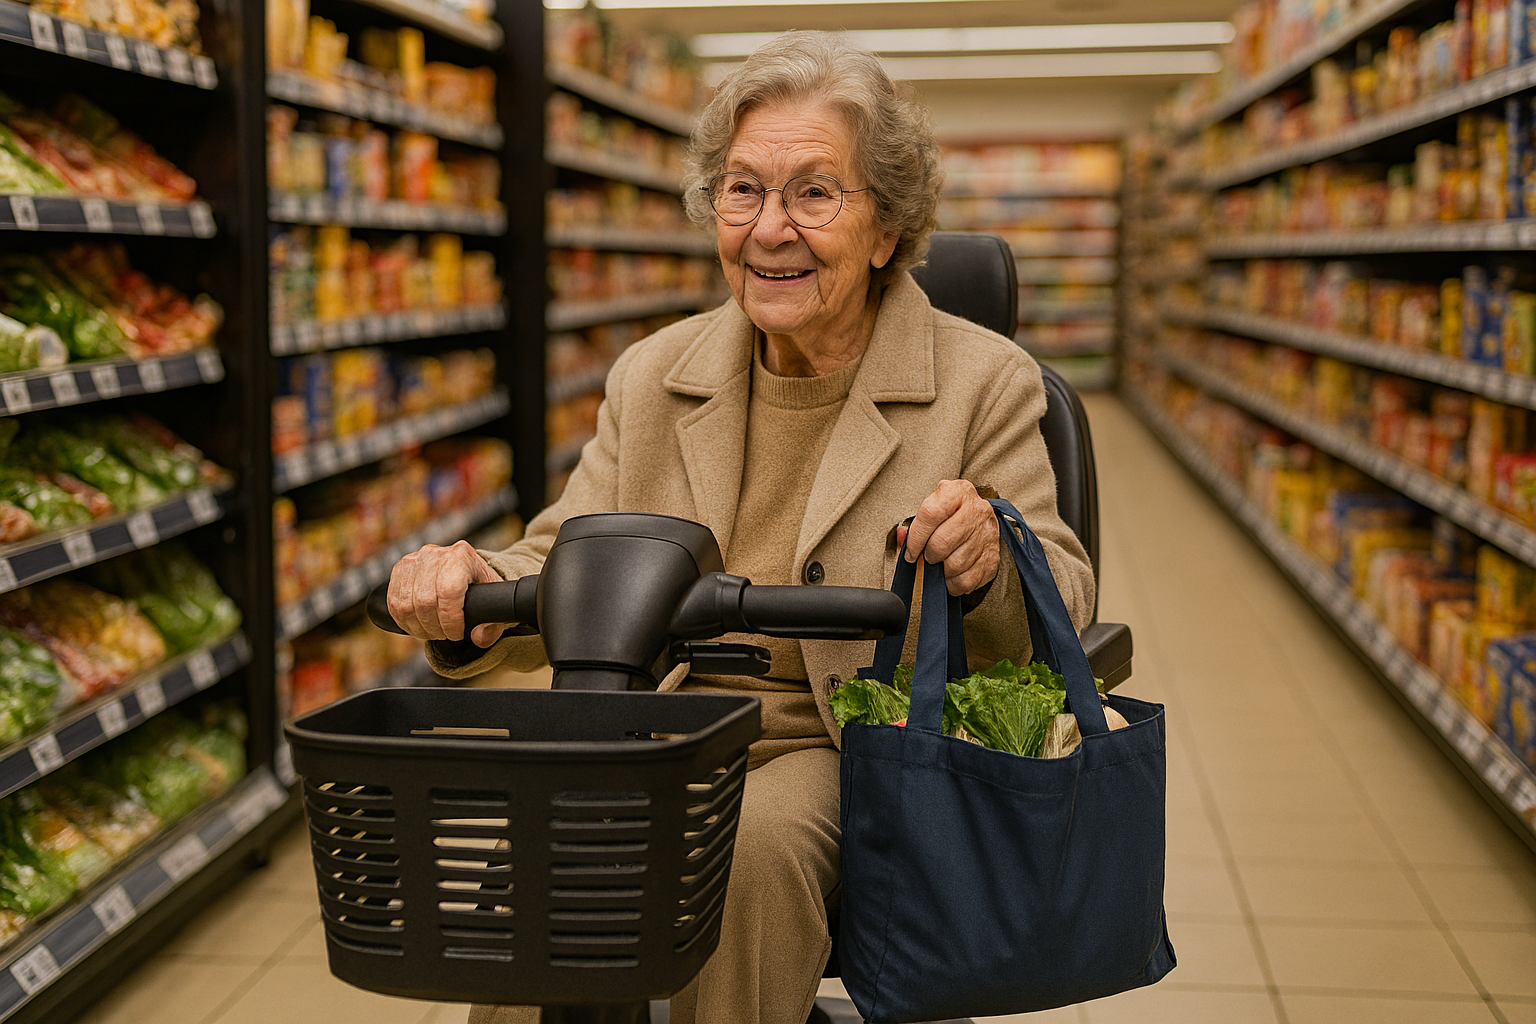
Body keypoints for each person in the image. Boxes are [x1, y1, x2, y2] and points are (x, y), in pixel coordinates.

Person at [386, 30, 1095, 1024]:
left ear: (885, 226)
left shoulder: (985, 382)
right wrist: (470, 588)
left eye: (814, 193)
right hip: (654, 724)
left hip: (855, 745)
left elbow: (1063, 594)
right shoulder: (653, 375)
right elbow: (564, 555)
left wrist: (988, 561)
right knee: (537, 851)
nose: (770, 228)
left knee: (746, 849)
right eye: (743, 190)